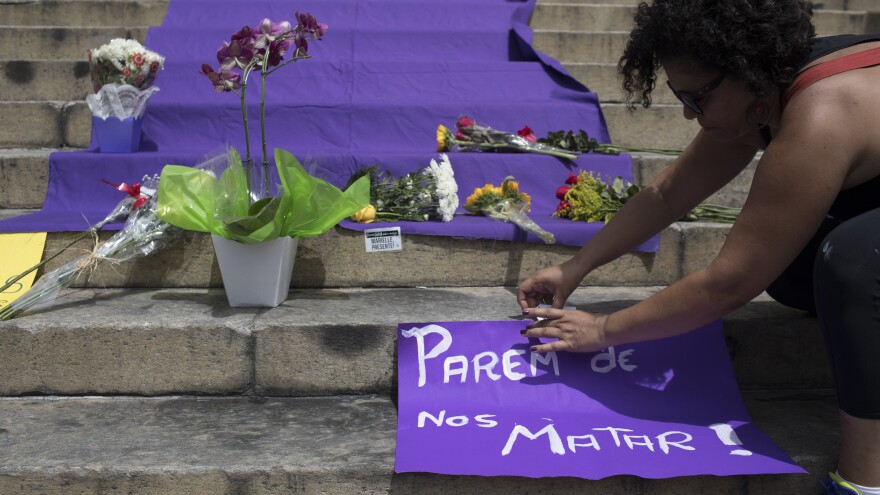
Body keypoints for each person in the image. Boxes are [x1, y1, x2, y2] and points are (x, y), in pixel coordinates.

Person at [515, 1, 880, 493]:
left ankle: (865, 479)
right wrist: (575, 268)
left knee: (852, 260)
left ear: (747, 73)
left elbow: (731, 282)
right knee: (795, 272)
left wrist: (603, 329)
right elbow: (668, 192)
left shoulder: (822, 112)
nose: (687, 113)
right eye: (676, 95)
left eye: (696, 97)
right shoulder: (762, 91)